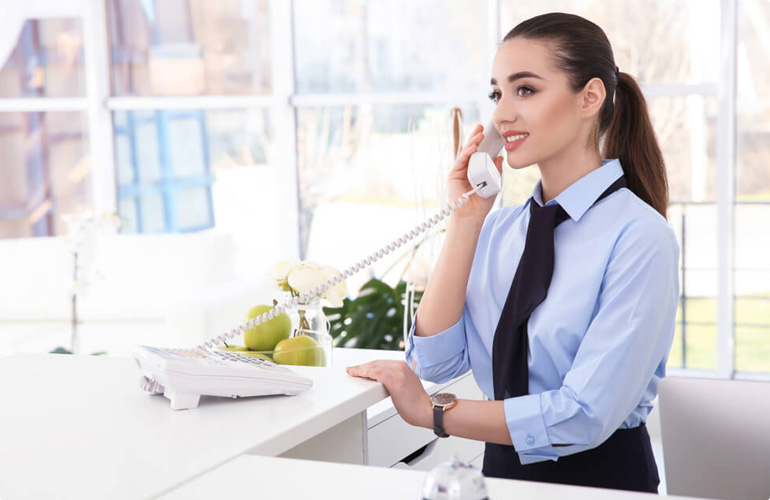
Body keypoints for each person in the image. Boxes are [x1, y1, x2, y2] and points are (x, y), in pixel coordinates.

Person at [346, 12, 679, 493]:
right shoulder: (500, 230)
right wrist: (465, 219)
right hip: (499, 477)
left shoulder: (640, 237)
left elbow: (583, 415)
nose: (501, 115)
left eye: (525, 90)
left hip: (600, 483)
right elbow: (436, 362)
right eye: (496, 94)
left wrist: (431, 413)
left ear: (590, 97)